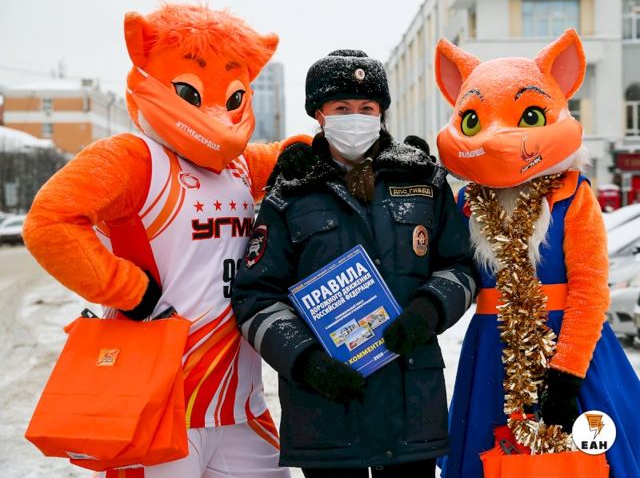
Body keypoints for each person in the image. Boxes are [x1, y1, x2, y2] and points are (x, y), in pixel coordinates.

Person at [23, 4, 308, 478]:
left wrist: (312, 151)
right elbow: (50, 221)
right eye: (191, 92)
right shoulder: (134, 158)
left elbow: (289, 156)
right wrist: (128, 290)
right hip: (155, 401)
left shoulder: (238, 166)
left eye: (233, 97)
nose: (215, 112)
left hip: (238, 402)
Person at [231, 50, 477, 478]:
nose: (356, 118)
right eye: (342, 108)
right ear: (319, 115)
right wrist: (306, 361)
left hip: (410, 406)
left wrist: (428, 310)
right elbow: (255, 296)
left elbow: (462, 265)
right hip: (326, 413)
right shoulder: (288, 194)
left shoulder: (423, 181)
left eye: (367, 108)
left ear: (381, 113)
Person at [433, 30, 640, 477]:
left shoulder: (572, 195)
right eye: (474, 122)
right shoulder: (466, 203)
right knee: (490, 454)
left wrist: (567, 374)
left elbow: (589, 289)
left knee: (584, 460)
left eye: (528, 116)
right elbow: (444, 266)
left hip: (572, 352)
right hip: (493, 352)